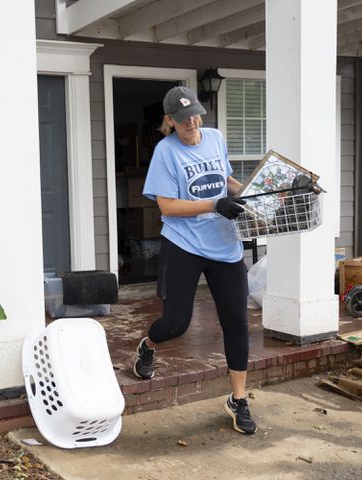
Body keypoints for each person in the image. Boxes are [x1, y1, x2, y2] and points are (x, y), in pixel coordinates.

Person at [132, 86, 257, 434]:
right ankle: (148, 345)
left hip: (224, 245)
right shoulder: (165, 152)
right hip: (183, 244)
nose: (192, 122)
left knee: (236, 322)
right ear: (170, 121)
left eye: (196, 115)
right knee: (176, 323)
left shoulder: (214, 138)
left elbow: (225, 179)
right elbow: (167, 206)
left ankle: (238, 398)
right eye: (183, 119)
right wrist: (213, 204)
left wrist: (251, 193)